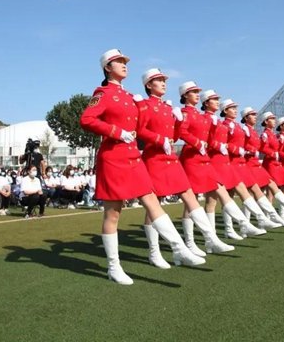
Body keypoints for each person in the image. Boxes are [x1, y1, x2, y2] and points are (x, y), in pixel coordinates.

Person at [80, 49, 205, 285]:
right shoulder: (103, 93)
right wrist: (117, 132)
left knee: (152, 201)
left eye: (125, 62)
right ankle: (113, 267)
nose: (124, 65)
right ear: (108, 67)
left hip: (133, 157)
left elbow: (148, 126)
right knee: (113, 213)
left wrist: (173, 119)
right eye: (119, 62)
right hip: (113, 157)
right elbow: (87, 119)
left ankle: (178, 248)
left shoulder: (129, 97)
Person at [136, 69, 234, 267]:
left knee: (189, 195)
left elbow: (174, 134)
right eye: (159, 80)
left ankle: (210, 238)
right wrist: (159, 139)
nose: (164, 83)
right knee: (155, 204)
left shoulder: (167, 108)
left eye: (164, 80)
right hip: (154, 158)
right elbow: (141, 130)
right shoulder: (146, 106)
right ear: (148, 85)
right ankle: (155, 252)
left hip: (170, 158)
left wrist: (177, 122)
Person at [178, 82, 264, 242]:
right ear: (185, 96)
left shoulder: (201, 116)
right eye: (193, 92)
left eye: (198, 92)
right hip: (194, 158)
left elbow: (209, 138)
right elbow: (183, 133)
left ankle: (240, 225)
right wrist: (200, 143)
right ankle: (191, 241)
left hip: (206, 160)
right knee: (192, 201)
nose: (197, 94)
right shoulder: (188, 113)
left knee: (214, 197)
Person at [200, 94, 273, 239]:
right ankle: (215, 236)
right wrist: (226, 147)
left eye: (235, 108)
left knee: (229, 195)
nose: (234, 110)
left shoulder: (223, 123)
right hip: (216, 162)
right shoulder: (212, 120)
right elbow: (210, 141)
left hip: (225, 161)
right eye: (231, 108)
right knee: (212, 201)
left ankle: (260, 218)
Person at [239, 107, 284, 226]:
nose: (274, 121)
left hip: (260, 164)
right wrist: (272, 153)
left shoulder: (257, 132)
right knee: (252, 193)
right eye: (272, 119)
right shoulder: (259, 133)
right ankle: (252, 222)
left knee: (265, 190)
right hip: (253, 164)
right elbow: (260, 148)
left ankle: (273, 215)